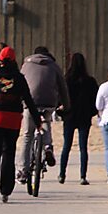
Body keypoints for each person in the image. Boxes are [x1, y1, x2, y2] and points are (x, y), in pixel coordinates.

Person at [0, 47, 40, 203]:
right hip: (13, 120)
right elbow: (29, 100)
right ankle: (5, 191)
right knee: (8, 154)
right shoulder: (19, 78)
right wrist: (37, 121)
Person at [18, 46, 70, 180]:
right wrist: (66, 105)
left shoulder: (26, 65)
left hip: (31, 102)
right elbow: (63, 87)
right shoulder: (54, 66)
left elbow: (20, 83)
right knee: (46, 121)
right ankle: (47, 147)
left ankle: (23, 171)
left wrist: (19, 104)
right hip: (49, 101)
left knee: (28, 135)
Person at [58, 53, 97, 185]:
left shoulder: (67, 80)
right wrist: (92, 113)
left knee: (66, 146)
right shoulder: (90, 81)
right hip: (84, 116)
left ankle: (62, 174)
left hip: (69, 116)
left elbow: (60, 97)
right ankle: (82, 176)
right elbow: (95, 101)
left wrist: (62, 112)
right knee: (83, 147)